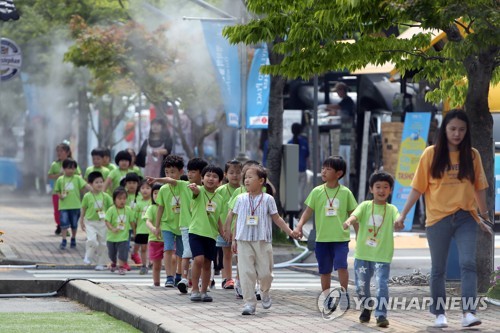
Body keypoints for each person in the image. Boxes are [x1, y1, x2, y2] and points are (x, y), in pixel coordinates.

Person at [393, 109, 493, 328]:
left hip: (466, 216)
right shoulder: (431, 153)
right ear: (444, 130)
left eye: (461, 130)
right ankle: (439, 314)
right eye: (453, 129)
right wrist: (403, 214)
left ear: (467, 132)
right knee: (439, 268)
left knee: (468, 263)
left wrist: (484, 217)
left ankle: (469, 312)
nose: (457, 133)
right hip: (437, 219)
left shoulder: (472, 155)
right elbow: (417, 188)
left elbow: (479, 188)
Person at [231, 165, 298, 315]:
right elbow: (237, 220)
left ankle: (265, 292)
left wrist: (290, 232)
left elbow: (277, 218)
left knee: (265, 274)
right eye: (245, 177)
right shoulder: (240, 199)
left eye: (250, 177)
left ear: (261, 181)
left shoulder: (268, 199)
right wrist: (234, 239)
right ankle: (249, 303)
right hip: (243, 240)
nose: (246, 180)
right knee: (246, 273)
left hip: (263, 241)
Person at [294, 156, 358, 306]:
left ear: (339, 173)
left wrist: (359, 235)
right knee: (325, 270)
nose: (323, 171)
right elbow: (307, 212)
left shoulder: (345, 192)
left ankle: (344, 293)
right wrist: (299, 226)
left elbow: (354, 215)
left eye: (328, 169)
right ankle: (327, 297)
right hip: (322, 239)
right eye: (323, 168)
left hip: (340, 238)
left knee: (341, 265)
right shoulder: (317, 191)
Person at [343, 171, 400, 328]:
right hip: (363, 254)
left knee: (382, 285)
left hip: (382, 254)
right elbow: (355, 216)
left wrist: (398, 223)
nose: (381, 190)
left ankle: (381, 315)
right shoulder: (365, 206)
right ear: (371, 189)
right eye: (378, 187)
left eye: (385, 187)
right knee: (362, 285)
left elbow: (397, 218)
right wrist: (348, 222)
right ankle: (366, 307)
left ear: (390, 190)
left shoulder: (392, 209)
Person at [187, 165, 226, 302]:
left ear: (220, 181)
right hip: (196, 232)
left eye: (215, 177)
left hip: (211, 235)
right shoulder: (200, 191)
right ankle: (194, 289)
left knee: (208, 263)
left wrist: (223, 232)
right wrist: (194, 188)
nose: (211, 179)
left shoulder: (220, 198)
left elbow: (218, 218)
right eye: (208, 176)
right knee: (198, 259)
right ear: (202, 179)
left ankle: (204, 291)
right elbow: (196, 191)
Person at [151, 155, 188, 288]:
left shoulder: (184, 185)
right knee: (168, 249)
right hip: (167, 224)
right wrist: (157, 226)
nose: (169, 175)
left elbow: (172, 181)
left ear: (181, 172)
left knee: (181, 252)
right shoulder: (163, 189)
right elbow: (160, 208)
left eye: (173, 172)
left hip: (182, 224)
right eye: (167, 172)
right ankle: (169, 277)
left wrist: (157, 179)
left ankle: (179, 274)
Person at [215, 159, 243, 289]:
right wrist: (222, 229)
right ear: (225, 174)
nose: (235, 175)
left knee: (240, 255)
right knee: (226, 254)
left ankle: (239, 278)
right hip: (224, 230)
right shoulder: (220, 190)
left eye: (238, 172)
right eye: (231, 172)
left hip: (241, 229)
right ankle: (227, 279)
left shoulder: (245, 190)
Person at [53, 158, 93, 250]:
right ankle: (63, 240)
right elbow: (57, 191)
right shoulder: (60, 179)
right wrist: (60, 196)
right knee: (64, 223)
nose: (70, 170)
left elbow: (85, 185)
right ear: (63, 168)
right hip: (63, 206)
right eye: (68, 168)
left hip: (75, 206)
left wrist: (93, 190)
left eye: (73, 168)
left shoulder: (77, 178)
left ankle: (73, 238)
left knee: (74, 224)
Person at [80, 171, 113, 270]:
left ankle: (100, 263)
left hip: (103, 223)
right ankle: (88, 256)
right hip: (90, 222)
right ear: (90, 184)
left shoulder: (106, 196)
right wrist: (81, 220)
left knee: (103, 244)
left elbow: (111, 208)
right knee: (92, 240)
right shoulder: (87, 196)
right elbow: (83, 208)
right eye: (96, 182)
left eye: (101, 182)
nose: (99, 184)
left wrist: (111, 221)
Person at [48, 142, 81, 235]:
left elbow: (79, 174)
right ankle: (61, 226)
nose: (59, 153)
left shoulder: (72, 163)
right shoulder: (55, 164)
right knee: (58, 211)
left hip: (70, 193)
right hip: (57, 192)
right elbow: (50, 175)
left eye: (61, 151)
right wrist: (59, 175)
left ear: (67, 152)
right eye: (57, 151)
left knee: (69, 211)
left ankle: (65, 227)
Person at [326, 82, 355, 187]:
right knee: (342, 158)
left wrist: (326, 107)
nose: (337, 93)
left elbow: (338, 107)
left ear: (342, 90)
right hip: (343, 135)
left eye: (338, 91)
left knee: (346, 159)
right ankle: (342, 182)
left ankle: (346, 183)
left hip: (348, 135)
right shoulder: (345, 102)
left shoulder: (347, 101)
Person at [105, 186, 136, 275]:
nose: (122, 201)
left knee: (123, 253)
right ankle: (113, 263)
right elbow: (107, 221)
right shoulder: (111, 210)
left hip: (123, 237)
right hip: (111, 237)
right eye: (119, 198)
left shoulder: (128, 209)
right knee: (112, 254)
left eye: (124, 198)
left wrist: (134, 231)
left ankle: (122, 267)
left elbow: (132, 221)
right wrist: (112, 228)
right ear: (114, 200)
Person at [287, 123, 310, 211]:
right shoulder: (304, 142)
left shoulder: (289, 143)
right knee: (301, 189)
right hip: (302, 169)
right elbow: (307, 155)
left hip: (292, 170)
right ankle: (299, 206)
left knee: (293, 190)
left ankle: (294, 206)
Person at [145, 183, 164, 286]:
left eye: (159, 193)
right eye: (155, 193)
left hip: (167, 239)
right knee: (157, 264)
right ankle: (156, 283)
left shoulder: (167, 207)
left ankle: (173, 279)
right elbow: (147, 221)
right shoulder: (151, 208)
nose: (157, 195)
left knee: (173, 260)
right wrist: (153, 228)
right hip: (154, 239)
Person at [133, 179, 153, 275]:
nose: (145, 190)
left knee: (152, 247)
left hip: (151, 230)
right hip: (141, 230)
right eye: (143, 188)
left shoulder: (153, 202)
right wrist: (134, 230)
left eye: (148, 188)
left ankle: (152, 262)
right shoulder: (138, 203)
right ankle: (144, 265)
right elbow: (134, 219)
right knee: (143, 248)